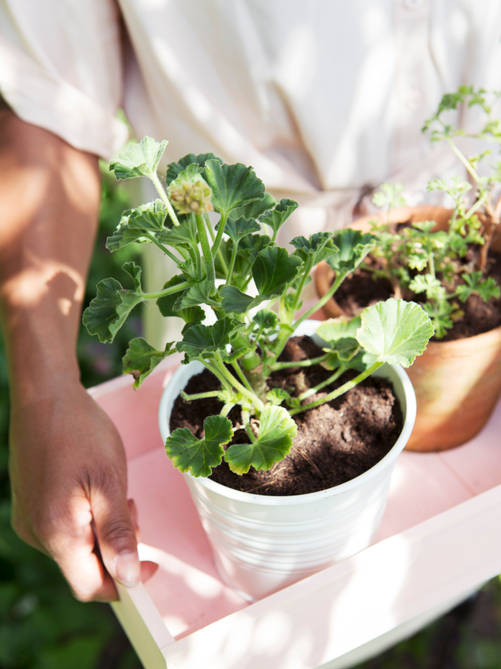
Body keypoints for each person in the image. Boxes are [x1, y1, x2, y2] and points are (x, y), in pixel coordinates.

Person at [1, 0, 500, 605]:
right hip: (248, 275)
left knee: (434, 562)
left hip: (465, 235)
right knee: (295, 604)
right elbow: (50, 100)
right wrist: (45, 390)